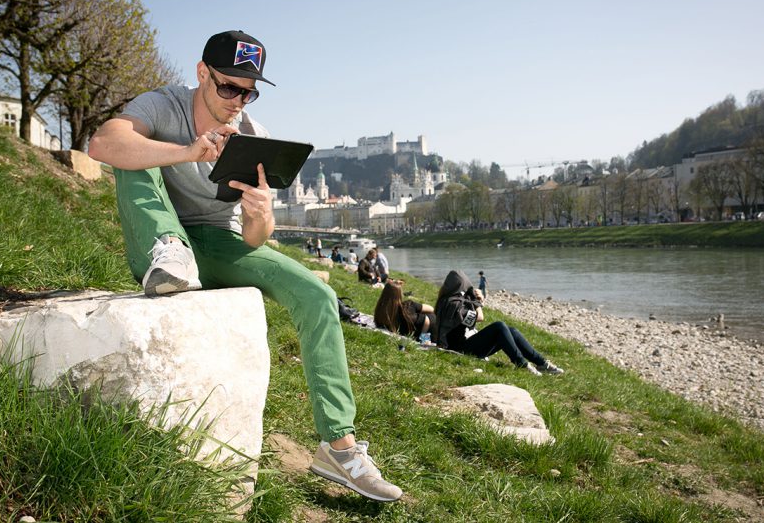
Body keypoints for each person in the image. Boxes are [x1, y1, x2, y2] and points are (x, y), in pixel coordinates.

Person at [87, 30, 401, 502]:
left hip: (219, 244)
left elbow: (256, 238)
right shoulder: (162, 104)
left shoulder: (254, 135)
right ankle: (170, 250)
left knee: (318, 295)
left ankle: (340, 447)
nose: (238, 99)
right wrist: (189, 151)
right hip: (161, 240)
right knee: (135, 154)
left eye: (248, 90)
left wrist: (261, 214)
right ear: (201, 74)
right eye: (228, 87)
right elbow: (102, 145)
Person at [434, 270, 564, 375]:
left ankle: (541, 363)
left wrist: (474, 301)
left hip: (462, 346)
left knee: (511, 330)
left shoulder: (447, 301)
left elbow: (466, 323)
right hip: (458, 350)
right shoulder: (452, 303)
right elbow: (479, 318)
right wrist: (477, 302)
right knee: (499, 326)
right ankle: (521, 364)